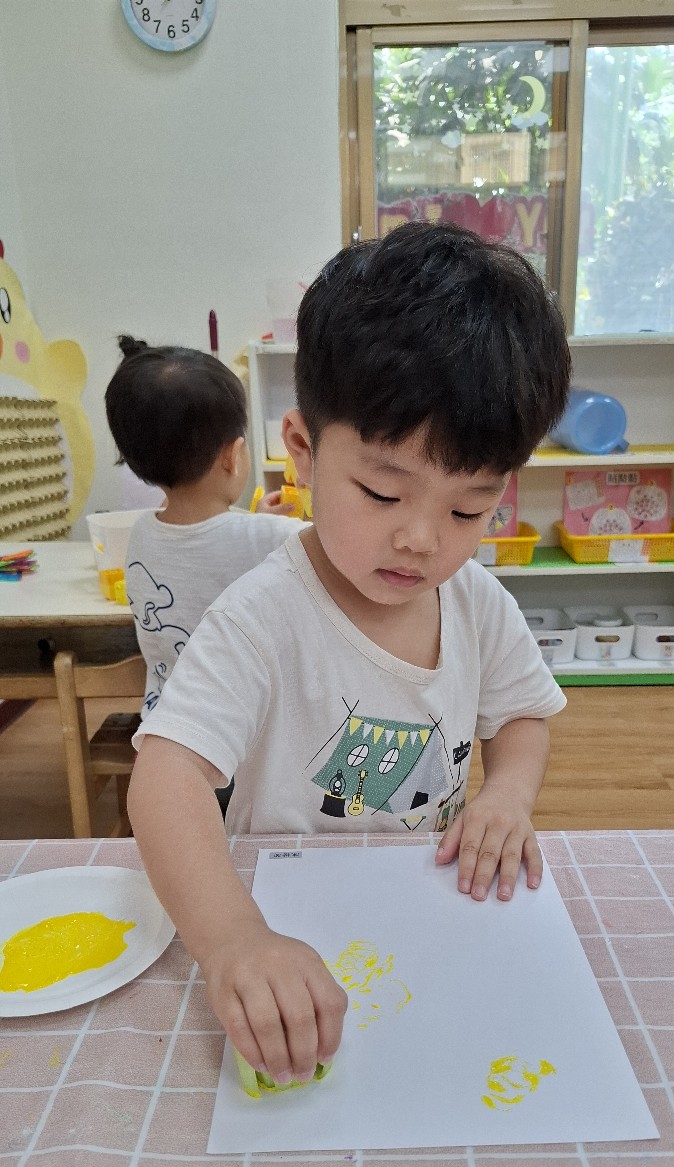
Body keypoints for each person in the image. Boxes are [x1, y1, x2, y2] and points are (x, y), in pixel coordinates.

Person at [127, 223, 572, 1090]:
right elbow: (166, 778)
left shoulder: (475, 601)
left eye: (468, 509)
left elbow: (520, 715)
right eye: (380, 491)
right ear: (300, 449)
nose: (422, 539)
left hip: (425, 902)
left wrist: (507, 795)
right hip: (282, 914)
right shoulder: (261, 615)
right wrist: (232, 940)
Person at [105, 336, 301, 716]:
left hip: (166, 719)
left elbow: (205, 544)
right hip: (238, 730)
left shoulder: (142, 532)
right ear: (232, 456)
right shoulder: (270, 537)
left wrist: (256, 519)